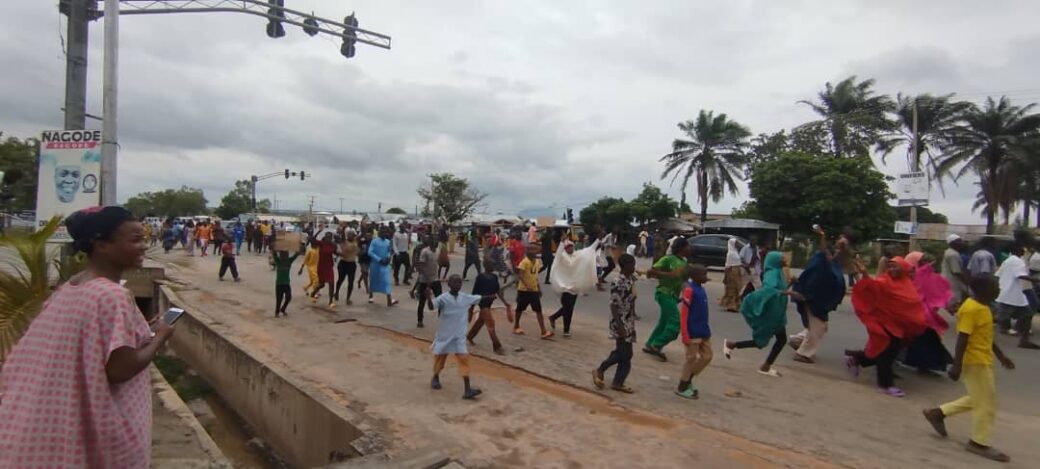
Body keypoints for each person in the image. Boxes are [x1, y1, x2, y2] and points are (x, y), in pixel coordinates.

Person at [0, 207, 174, 468]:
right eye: (135, 239)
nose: (143, 246)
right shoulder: (111, 295)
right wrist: (160, 336)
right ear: (101, 245)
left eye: (144, 239)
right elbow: (120, 369)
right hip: (100, 435)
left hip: (49, 429)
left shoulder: (73, 286)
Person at [922, 276, 1015, 463]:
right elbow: (962, 338)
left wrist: (1001, 356)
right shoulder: (971, 308)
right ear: (982, 289)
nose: (998, 290)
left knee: (977, 398)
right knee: (987, 404)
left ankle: (937, 413)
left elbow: (986, 335)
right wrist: (956, 365)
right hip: (974, 361)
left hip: (983, 359)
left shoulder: (983, 307)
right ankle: (978, 442)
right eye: (995, 287)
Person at [845, 257, 928, 397]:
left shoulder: (906, 283)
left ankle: (857, 359)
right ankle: (885, 385)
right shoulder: (884, 281)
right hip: (883, 323)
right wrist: (865, 274)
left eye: (895, 266)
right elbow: (871, 287)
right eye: (890, 266)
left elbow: (911, 304)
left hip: (898, 325)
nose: (892, 269)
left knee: (888, 351)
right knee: (887, 352)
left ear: (903, 268)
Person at [723, 252, 799, 377]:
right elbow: (768, 289)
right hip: (771, 311)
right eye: (782, 258)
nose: (785, 260)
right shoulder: (771, 273)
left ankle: (734, 345)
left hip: (777, 310)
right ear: (775, 260)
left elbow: (780, 289)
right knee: (769, 339)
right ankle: (764, 365)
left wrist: (791, 283)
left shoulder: (778, 272)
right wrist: (789, 294)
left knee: (776, 339)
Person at [788, 227, 846, 363]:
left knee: (820, 326)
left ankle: (796, 340)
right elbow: (823, 250)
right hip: (813, 299)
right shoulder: (822, 263)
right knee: (818, 327)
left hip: (817, 300)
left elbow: (834, 256)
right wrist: (822, 236)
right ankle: (803, 353)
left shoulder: (830, 264)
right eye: (832, 253)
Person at [429, 275, 485, 400]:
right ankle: (435, 377)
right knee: (440, 358)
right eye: (454, 282)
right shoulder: (443, 298)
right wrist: (428, 297)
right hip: (445, 334)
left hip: (459, 336)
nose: (457, 285)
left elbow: (479, 298)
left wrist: (492, 295)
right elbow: (431, 306)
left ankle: (467, 389)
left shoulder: (465, 297)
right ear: (448, 284)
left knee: (464, 359)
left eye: (459, 282)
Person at [900, 252, 954, 373]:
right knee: (923, 342)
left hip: (922, 315)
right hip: (922, 316)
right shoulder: (921, 276)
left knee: (921, 341)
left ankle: (923, 364)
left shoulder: (923, 277)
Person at [593, 253, 638, 393]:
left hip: (628, 320)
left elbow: (631, 300)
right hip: (620, 320)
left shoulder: (631, 279)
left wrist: (632, 318)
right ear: (625, 266)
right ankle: (601, 369)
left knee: (625, 353)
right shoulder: (618, 281)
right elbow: (613, 305)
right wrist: (620, 325)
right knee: (624, 352)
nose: (634, 267)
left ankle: (617, 381)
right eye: (632, 264)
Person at [642, 238, 692, 362]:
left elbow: (685, 281)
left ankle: (650, 344)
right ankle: (657, 344)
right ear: (682, 248)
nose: (690, 249)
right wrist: (669, 275)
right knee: (676, 322)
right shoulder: (667, 259)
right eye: (688, 246)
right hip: (663, 293)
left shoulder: (685, 263)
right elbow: (650, 273)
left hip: (673, 296)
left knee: (664, 322)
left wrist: (687, 294)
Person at [548, 236, 600, 337]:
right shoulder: (562, 257)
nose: (570, 248)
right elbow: (558, 254)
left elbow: (590, 249)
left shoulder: (578, 255)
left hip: (574, 287)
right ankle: (566, 330)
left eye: (571, 246)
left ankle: (554, 318)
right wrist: (562, 243)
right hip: (564, 287)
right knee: (568, 309)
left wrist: (598, 239)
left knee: (568, 308)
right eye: (567, 247)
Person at [675, 264, 712, 399]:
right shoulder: (690, 290)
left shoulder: (701, 290)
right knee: (691, 358)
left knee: (707, 356)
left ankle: (689, 378)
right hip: (692, 331)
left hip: (703, 329)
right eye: (703, 275)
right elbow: (684, 314)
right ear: (694, 276)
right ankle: (682, 385)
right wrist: (685, 333)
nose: (705, 277)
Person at [994, 244, 1038, 348]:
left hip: (1008, 293)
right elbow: (1021, 275)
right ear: (1020, 250)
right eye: (1024, 249)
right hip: (1012, 294)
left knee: (1011, 315)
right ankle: (1023, 339)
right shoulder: (1018, 261)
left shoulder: (1008, 260)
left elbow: (997, 275)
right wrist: (1037, 280)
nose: (1025, 251)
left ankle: (1023, 339)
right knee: (1026, 314)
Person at [467, 258, 512, 354]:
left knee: (481, 322)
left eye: (493, 265)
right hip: (483, 304)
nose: (493, 267)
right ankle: (497, 346)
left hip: (488, 304)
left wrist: (505, 302)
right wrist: (471, 307)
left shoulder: (494, 277)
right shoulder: (480, 277)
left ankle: (470, 336)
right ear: (486, 266)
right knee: (491, 325)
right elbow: (475, 293)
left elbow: (498, 291)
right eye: (491, 265)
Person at [514, 244, 552, 338]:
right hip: (524, 290)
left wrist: (538, 288)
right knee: (519, 309)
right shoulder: (524, 262)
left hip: (534, 290)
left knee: (538, 310)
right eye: (532, 250)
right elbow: (520, 275)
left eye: (535, 250)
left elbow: (535, 276)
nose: (534, 251)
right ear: (528, 251)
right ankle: (516, 326)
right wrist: (527, 286)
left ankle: (543, 331)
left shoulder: (537, 262)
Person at [368, 226, 398, 307]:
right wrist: (379, 259)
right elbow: (370, 252)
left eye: (386, 232)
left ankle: (389, 300)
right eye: (383, 232)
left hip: (385, 265)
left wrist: (388, 258)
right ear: (379, 232)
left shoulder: (388, 242)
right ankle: (370, 296)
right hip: (375, 265)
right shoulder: (374, 241)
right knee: (373, 280)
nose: (385, 233)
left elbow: (389, 252)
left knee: (386, 281)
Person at [416, 237, 441, 328]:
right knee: (422, 301)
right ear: (430, 243)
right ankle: (420, 320)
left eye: (436, 241)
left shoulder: (438, 250)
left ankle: (441, 319)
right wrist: (428, 279)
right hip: (425, 280)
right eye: (434, 241)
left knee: (440, 299)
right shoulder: (424, 252)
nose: (436, 242)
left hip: (435, 279)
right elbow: (421, 267)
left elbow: (438, 263)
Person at [942, 234, 971, 311]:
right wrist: (966, 281)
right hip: (953, 281)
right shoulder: (953, 254)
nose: (961, 243)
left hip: (949, 279)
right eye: (958, 241)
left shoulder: (950, 252)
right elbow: (957, 271)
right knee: (955, 300)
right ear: (952, 243)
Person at [310, 233, 338, 308]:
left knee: (331, 283)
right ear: (325, 237)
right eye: (327, 237)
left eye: (330, 237)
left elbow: (336, 253)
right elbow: (312, 239)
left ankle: (330, 301)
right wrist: (318, 231)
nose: (328, 239)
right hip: (321, 267)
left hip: (329, 267)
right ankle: (313, 292)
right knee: (322, 284)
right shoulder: (321, 244)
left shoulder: (333, 245)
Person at [720, 237, 745, 313]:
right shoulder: (730, 254)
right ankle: (731, 305)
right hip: (731, 272)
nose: (737, 244)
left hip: (737, 271)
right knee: (731, 289)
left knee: (737, 288)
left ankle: (736, 305)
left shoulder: (736, 252)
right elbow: (727, 266)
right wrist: (726, 276)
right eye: (736, 243)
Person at [335, 231, 360, 305]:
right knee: (340, 279)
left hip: (352, 263)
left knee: (351, 282)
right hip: (343, 263)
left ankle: (348, 298)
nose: (351, 236)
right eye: (349, 235)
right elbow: (342, 236)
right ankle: (336, 292)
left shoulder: (356, 242)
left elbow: (362, 234)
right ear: (347, 236)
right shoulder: (344, 241)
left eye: (352, 235)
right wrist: (343, 228)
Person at [273, 250, 300, 317]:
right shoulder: (278, 261)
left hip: (286, 283)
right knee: (279, 299)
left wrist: (299, 250)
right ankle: (277, 312)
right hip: (279, 283)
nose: (284, 256)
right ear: (281, 255)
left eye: (286, 255)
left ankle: (283, 309)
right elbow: (274, 253)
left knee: (288, 297)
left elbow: (296, 255)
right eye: (283, 255)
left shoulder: (289, 261)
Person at [356, 230, 371, 296]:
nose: (368, 237)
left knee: (365, 272)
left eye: (369, 235)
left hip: (368, 258)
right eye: (367, 235)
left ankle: (359, 281)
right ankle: (367, 288)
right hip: (362, 258)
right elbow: (358, 248)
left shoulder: (372, 242)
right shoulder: (362, 241)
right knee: (365, 272)